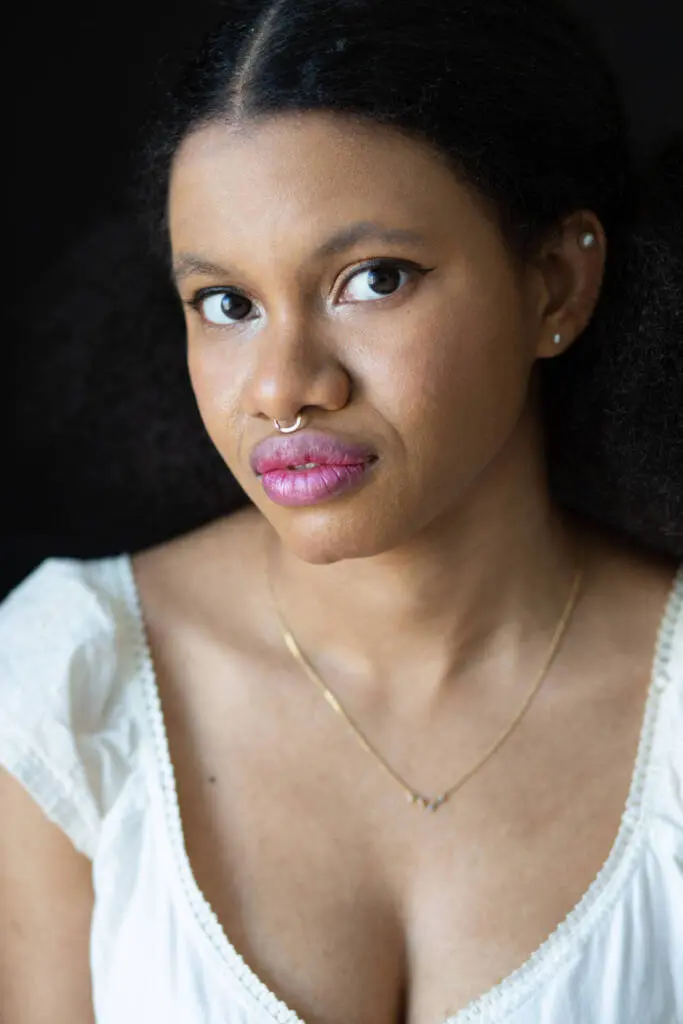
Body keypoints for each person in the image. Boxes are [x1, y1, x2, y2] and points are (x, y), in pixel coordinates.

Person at [1, 0, 681, 1021]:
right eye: (227, 303)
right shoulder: (68, 684)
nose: (282, 387)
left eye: (373, 280)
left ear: (554, 284)